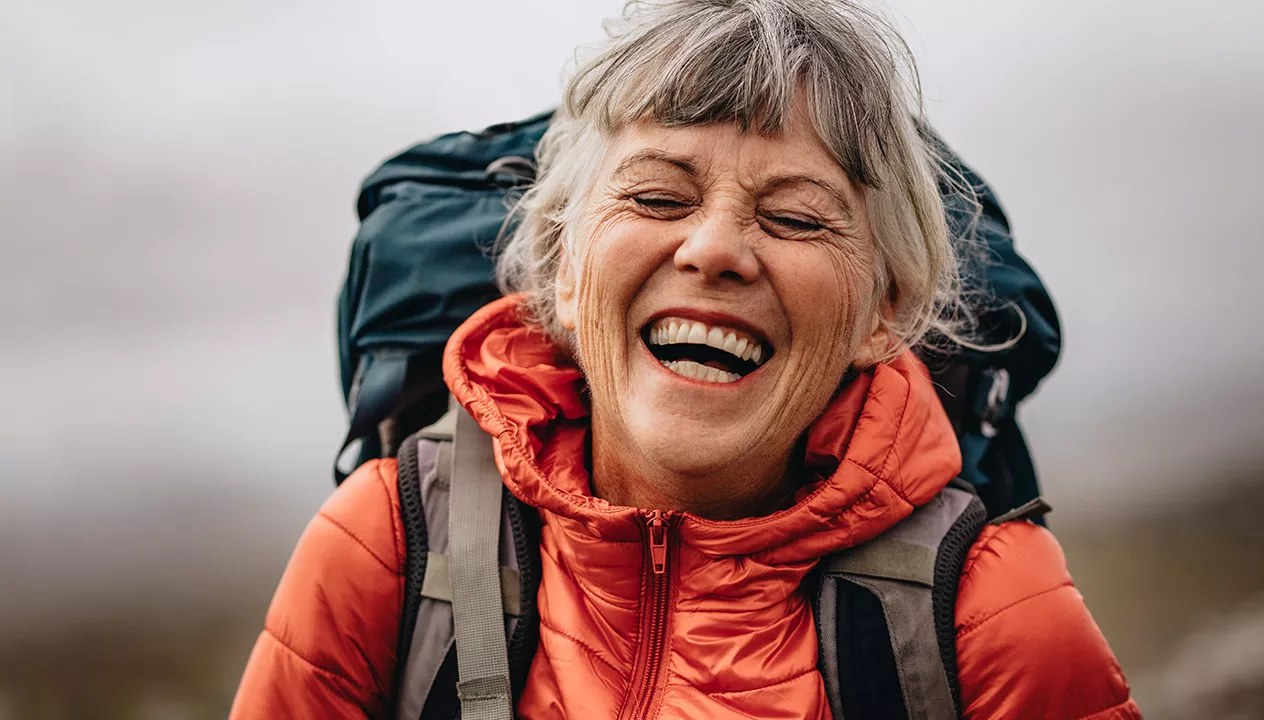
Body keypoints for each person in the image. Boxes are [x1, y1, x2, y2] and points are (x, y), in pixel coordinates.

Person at [231, 0, 1139, 717]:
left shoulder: (993, 610)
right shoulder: (387, 545)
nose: (714, 250)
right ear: (565, 269)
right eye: (658, 198)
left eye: (795, 217)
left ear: (884, 313)